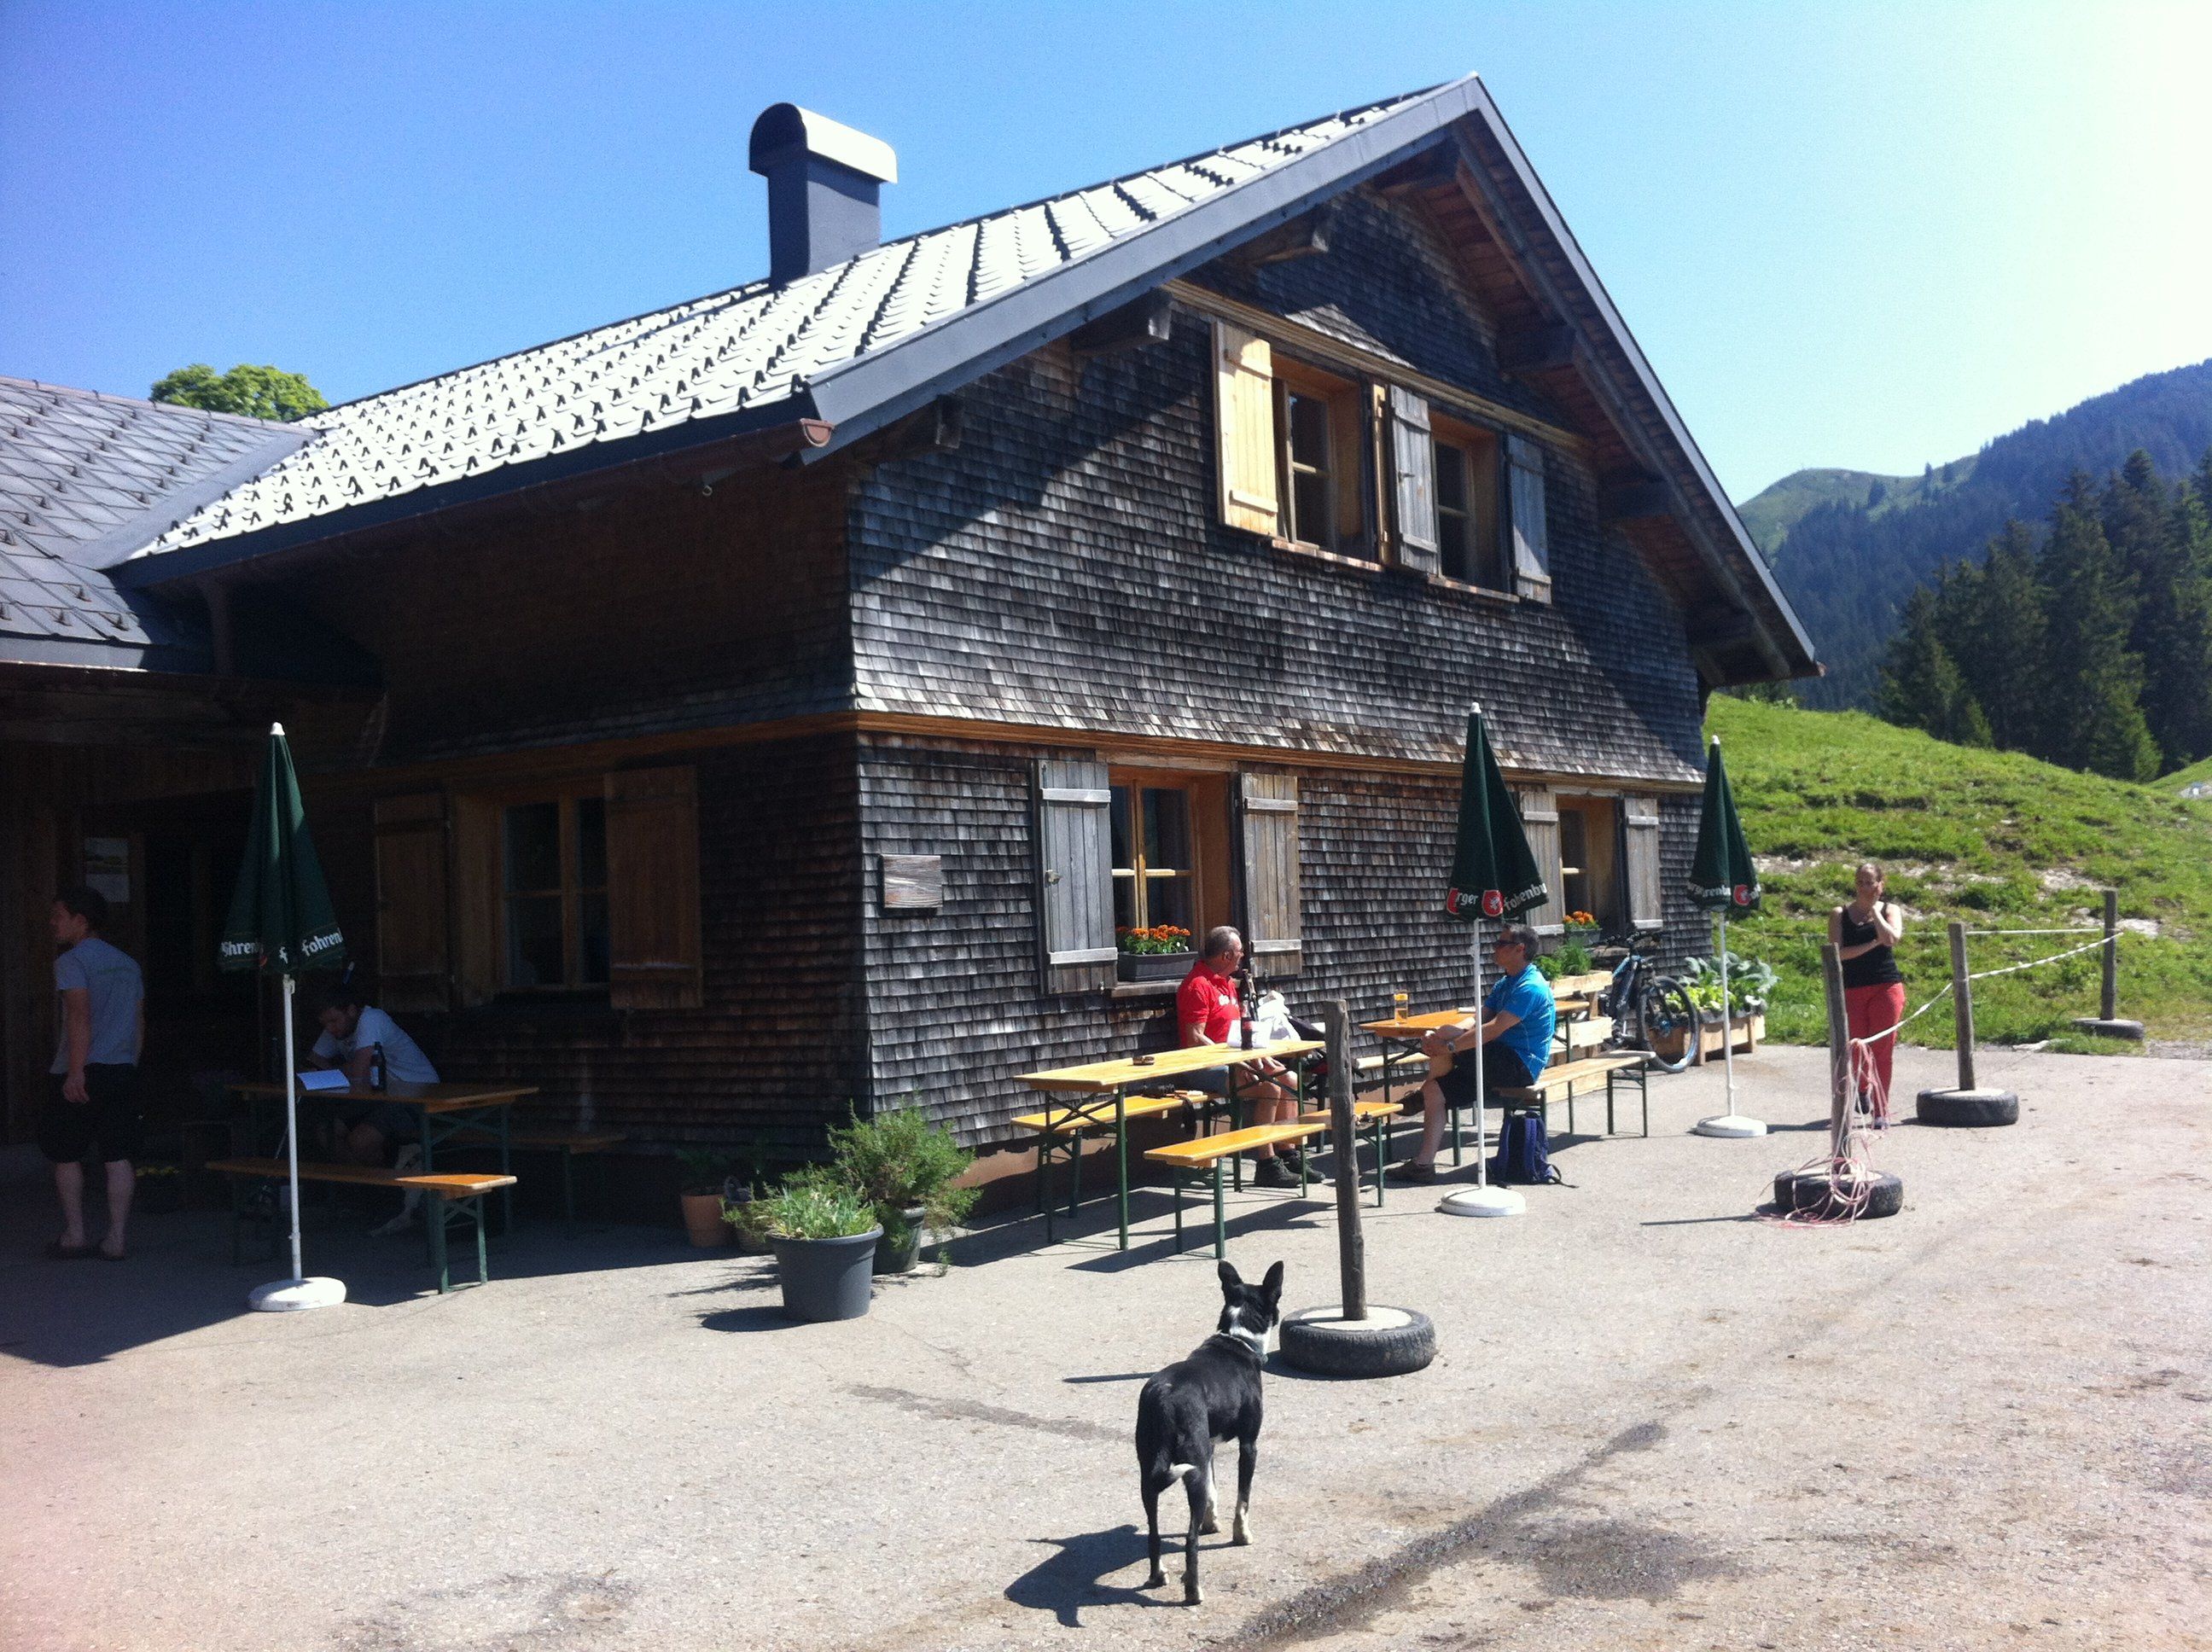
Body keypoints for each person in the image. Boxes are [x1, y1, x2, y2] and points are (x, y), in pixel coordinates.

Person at [1391, 923, 1555, 1184]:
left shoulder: (1531, 987)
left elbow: (1493, 1029)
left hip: (1519, 1065)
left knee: (1443, 1038)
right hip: (1494, 1059)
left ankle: (1420, 1095)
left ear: (1520, 949)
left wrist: (1448, 1045)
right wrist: (1447, 1034)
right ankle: (1423, 1165)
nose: (1495, 948)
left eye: (1501, 944)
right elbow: (1479, 1019)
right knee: (1435, 1090)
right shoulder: (1506, 983)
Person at [40, 885, 144, 1261]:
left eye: (58, 916)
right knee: (117, 1155)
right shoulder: (128, 963)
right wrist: (130, 1063)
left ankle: (75, 1234)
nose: (52, 923)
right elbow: (138, 1022)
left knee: (66, 1153)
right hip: (121, 1066)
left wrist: (75, 1071)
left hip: (82, 1068)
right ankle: (116, 1238)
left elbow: (79, 1017)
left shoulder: (71, 961)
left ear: (80, 921)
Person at [1176, 926, 1304, 1189]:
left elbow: (1236, 1034)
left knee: (1288, 1079)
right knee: (1269, 1087)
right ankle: (1266, 1164)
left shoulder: (1227, 984)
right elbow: (1195, 1038)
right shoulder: (1197, 985)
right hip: (1203, 1066)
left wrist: (1259, 1058)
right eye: (1239, 952)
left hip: (1233, 1061)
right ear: (1226, 955)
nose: (1242, 956)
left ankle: (1288, 1154)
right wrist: (1238, 1062)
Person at [305, 985, 440, 1167]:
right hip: (377, 1096)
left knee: (360, 1141)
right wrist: (337, 1071)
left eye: (334, 1021)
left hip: (416, 1095)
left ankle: (385, 1178)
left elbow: (360, 1070)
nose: (329, 1029)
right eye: (325, 1024)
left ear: (351, 1010)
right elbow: (313, 1062)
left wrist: (329, 1073)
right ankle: (365, 1179)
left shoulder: (372, 1018)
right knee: (327, 1132)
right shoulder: (338, 1029)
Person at [1831, 861, 1906, 1125]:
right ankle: (1862, 1088)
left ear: (1880, 885)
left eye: (1870, 882)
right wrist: (1872, 944)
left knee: (1882, 1049)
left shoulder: (1890, 910)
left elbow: (1892, 939)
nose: (1864, 887)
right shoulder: (1840, 913)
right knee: (1856, 1048)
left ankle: (1881, 1111)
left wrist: (1875, 912)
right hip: (1853, 988)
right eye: (1860, 882)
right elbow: (1838, 953)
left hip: (1886, 986)